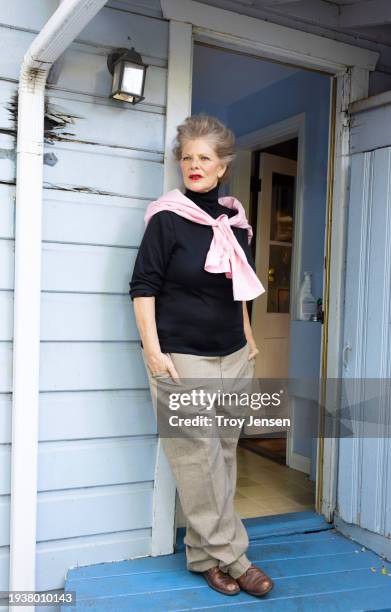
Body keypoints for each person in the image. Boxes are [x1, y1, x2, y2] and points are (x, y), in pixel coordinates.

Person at [129, 114, 274, 597]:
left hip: (233, 353)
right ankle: (235, 559)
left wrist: (249, 340)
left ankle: (202, 556)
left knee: (223, 457)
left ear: (222, 167)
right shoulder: (167, 219)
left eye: (204, 158)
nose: (194, 165)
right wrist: (153, 351)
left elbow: (240, 292)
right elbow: (143, 286)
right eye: (187, 157)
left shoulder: (237, 223)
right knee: (197, 459)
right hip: (181, 357)